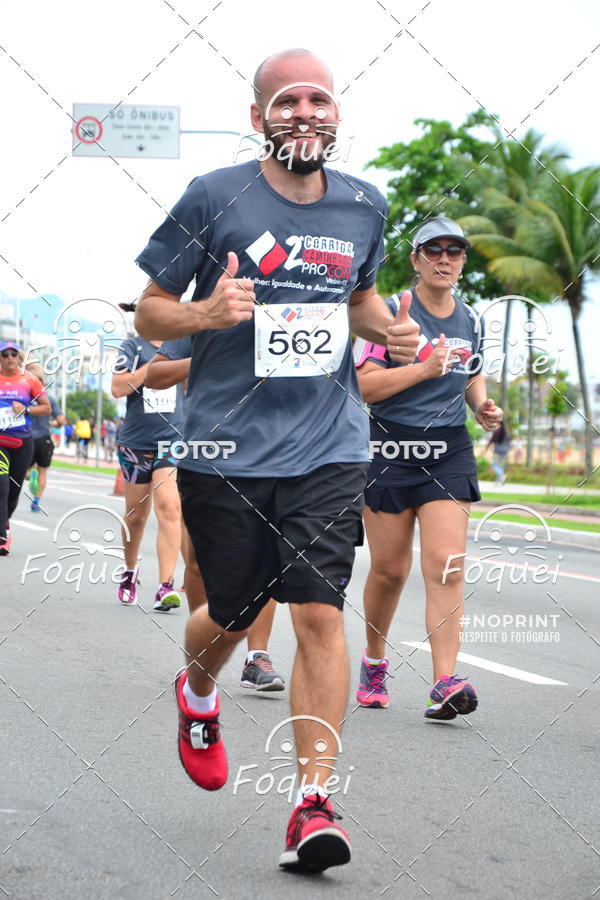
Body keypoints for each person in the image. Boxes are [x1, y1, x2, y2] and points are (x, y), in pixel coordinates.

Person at [134, 48, 420, 873]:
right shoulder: (214, 195)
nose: (304, 112)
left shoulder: (365, 204)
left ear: (337, 115)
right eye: (287, 100)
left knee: (319, 613)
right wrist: (205, 314)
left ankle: (311, 803)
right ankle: (197, 691)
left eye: (318, 99)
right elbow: (151, 312)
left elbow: (358, 298)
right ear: (259, 117)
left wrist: (389, 329)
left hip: (329, 444)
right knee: (231, 612)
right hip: (226, 446)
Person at [353, 216, 503, 719]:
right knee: (390, 572)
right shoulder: (389, 314)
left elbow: (471, 373)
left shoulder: (473, 320)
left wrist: (481, 406)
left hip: (448, 449)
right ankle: (375, 661)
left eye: (453, 251)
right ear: (415, 259)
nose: (444, 259)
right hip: (390, 448)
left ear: (463, 261)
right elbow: (364, 387)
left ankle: (444, 680)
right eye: (432, 250)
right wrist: (422, 369)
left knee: (445, 564)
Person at [146, 339, 285, 691]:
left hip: (271, 450)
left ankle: (257, 657)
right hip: (209, 450)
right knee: (198, 562)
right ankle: (203, 658)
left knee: (267, 556)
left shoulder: (286, 312)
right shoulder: (203, 314)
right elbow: (155, 375)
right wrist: (208, 357)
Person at [111, 329, 187, 612]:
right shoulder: (132, 347)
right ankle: (129, 572)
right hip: (136, 442)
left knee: (169, 506)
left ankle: (165, 586)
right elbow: (118, 388)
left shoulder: (183, 343)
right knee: (135, 516)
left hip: (173, 439)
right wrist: (155, 365)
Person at [0, 341, 51, 554]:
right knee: (2, 486)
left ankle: (5, 522)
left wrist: (25, 409)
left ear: (19, 358)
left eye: (13, 354)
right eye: (5, 354)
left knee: (13, 492)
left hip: (23, 442)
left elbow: (46, 408)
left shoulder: (29, 380)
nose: (10, 357)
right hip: (1, 441)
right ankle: (2, 535)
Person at [24, 363, 66, 512]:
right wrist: (54, 423)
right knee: (43, 471)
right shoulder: (50, 399)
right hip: (44, 438)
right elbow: (61, 421)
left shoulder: (25, 398)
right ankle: (36, 502)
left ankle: (29, 473)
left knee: (25, 469)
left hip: (27, 438)